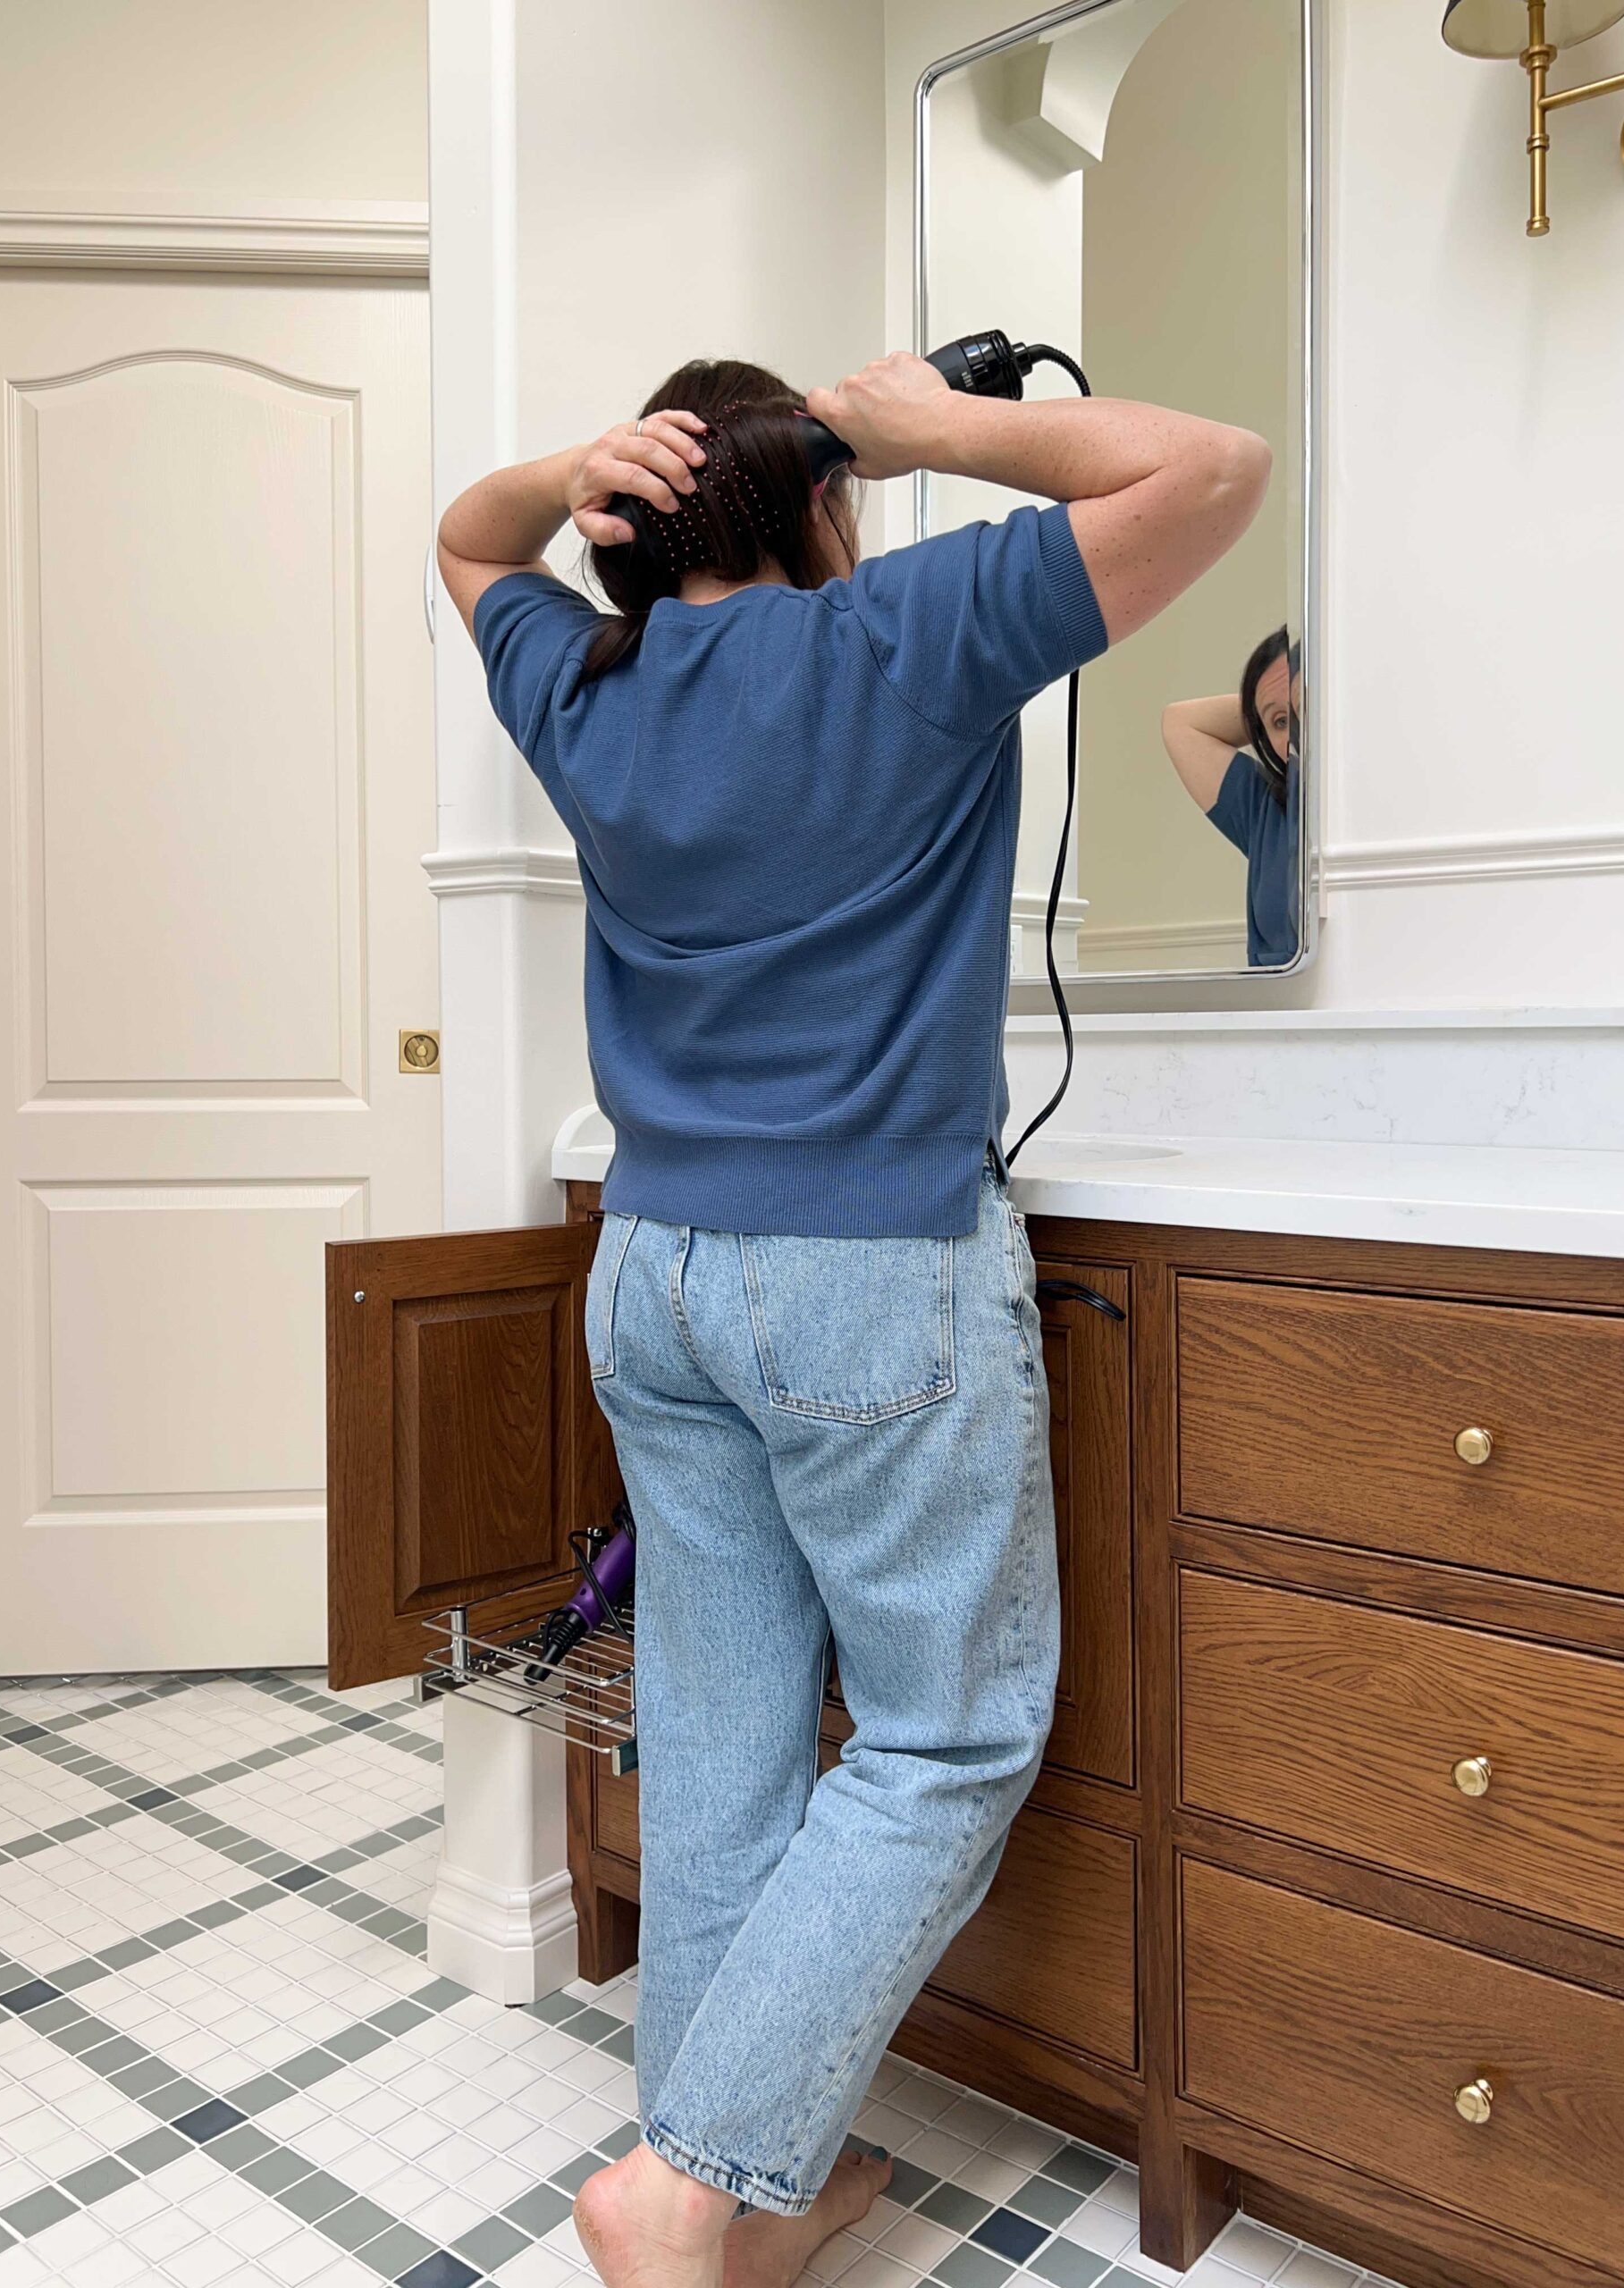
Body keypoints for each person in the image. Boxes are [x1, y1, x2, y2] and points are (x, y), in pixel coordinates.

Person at [436, 350, 1269, 2288]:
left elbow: (467, 539)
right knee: (947, 1738)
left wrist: (566, 473)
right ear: (821, 503)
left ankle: (744, 2190)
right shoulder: (898, 634)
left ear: (636, 523)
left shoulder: (587, 685)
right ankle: (694, 2179)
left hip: (652, 1270)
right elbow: (1210, 463)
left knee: (723, 1741)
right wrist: (927, 430)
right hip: (868, 1273)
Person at [1160, 627, 1301, 967]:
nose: (1297, 729)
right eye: (1281, 722)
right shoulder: (1263, 808)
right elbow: (1180, 724)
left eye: (1308, 707)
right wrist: (1268, 705)